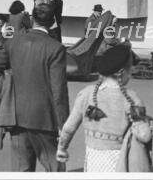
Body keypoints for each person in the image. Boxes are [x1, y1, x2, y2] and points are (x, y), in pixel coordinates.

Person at [0, 3, 69, 172]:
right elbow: (58, 90)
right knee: (55, 167)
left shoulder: (14, 42)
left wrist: (10, 79)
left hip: (16, 114)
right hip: (43, 118)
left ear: (31, 19)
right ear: (53, 21)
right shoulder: (56, 48)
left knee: (21, 168)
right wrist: (63, 123)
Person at [56, 43, 148, 172]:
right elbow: (145, 135)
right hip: (119, 162)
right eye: (130, 69)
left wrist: (62, 148)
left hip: (93, 160)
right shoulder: (132, 99)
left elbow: (68, 128)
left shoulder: (86, 93)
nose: (131, 73)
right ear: (122, 72)